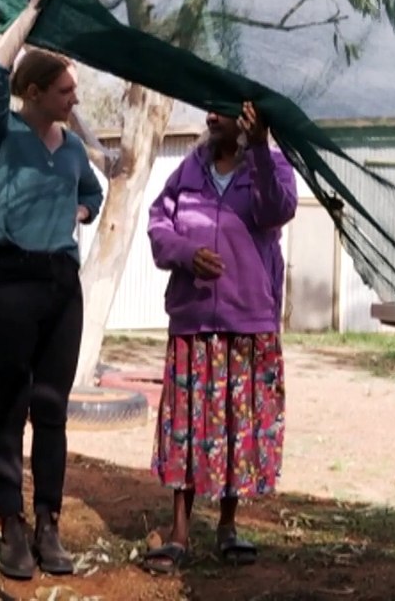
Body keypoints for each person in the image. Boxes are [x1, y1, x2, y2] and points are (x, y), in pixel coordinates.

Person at [0, 0, 103, 580]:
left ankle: (48, 525)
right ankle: (12, 528)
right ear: (35, 92)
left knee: (52, 409)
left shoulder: (73, 150)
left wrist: (81, 210)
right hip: (10, 284)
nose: (75, 97)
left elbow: (93, 193)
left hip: (60, 287)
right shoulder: (4, 134)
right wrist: (29, 15)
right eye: (65, 89)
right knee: (12, 404)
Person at [142, 101, 298, 574]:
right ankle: (179, 533)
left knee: (236, 427)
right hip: (194, 324)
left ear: (247, 118)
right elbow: (158, 226)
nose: (210, 117)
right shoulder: (189, 171)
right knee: (188, 429)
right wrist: (187, 253)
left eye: (221, 111)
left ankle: (228, 526)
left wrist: (261, 151)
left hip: (249, 321)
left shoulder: (271, 167)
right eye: (207, 110)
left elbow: (279, 210)